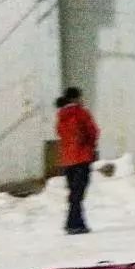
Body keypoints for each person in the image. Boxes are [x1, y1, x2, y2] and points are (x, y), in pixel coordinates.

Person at [55, 86, 100, 234]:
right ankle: (73, 224)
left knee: (74, 193)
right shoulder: (81, 113)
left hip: (68, 160)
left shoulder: (61, 115)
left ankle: (77, 222)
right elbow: (93, 131)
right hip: (82, 156)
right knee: (78, 194)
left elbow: (59, 133)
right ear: (76, 97)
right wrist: (91, 147)